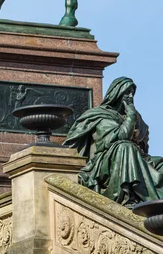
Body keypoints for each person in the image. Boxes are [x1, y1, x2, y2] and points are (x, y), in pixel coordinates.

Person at [64, 77, 163, 207]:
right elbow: (122, 136)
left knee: (160, 163)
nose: (130, 96)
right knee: (125, 147)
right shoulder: (101, 115)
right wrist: (131, 115)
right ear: (117, 93)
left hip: (135, 157)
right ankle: (128, 197)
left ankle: (155, 204)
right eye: (127, 92)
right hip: (108, 161)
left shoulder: (134, 117)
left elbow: (143, 143)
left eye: (132, 93)